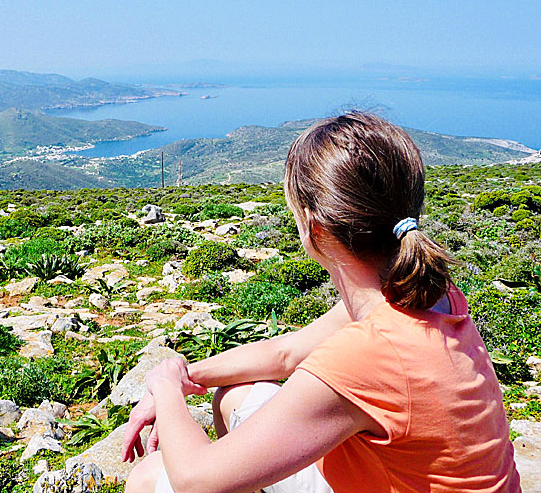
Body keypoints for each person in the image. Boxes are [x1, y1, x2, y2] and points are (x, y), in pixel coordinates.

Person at [121, 112, 521, 492]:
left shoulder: (370, 354)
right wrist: (188, 375)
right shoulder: (423, 290)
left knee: (148, 480)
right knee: (235, 395)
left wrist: (165, 387)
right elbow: (285, 353)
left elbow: (195, 479)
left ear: (313, 227)